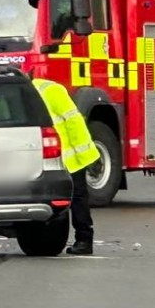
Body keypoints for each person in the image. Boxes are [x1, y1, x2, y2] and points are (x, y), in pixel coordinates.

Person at [32, 75, 99, 255]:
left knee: (77, 198)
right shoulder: (28, 91)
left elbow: (74, 123)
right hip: (54, 157)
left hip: (69, 157)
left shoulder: (50, 90)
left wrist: (85, 156)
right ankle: (81, 240)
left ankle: (84, 240)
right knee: (66, 199)